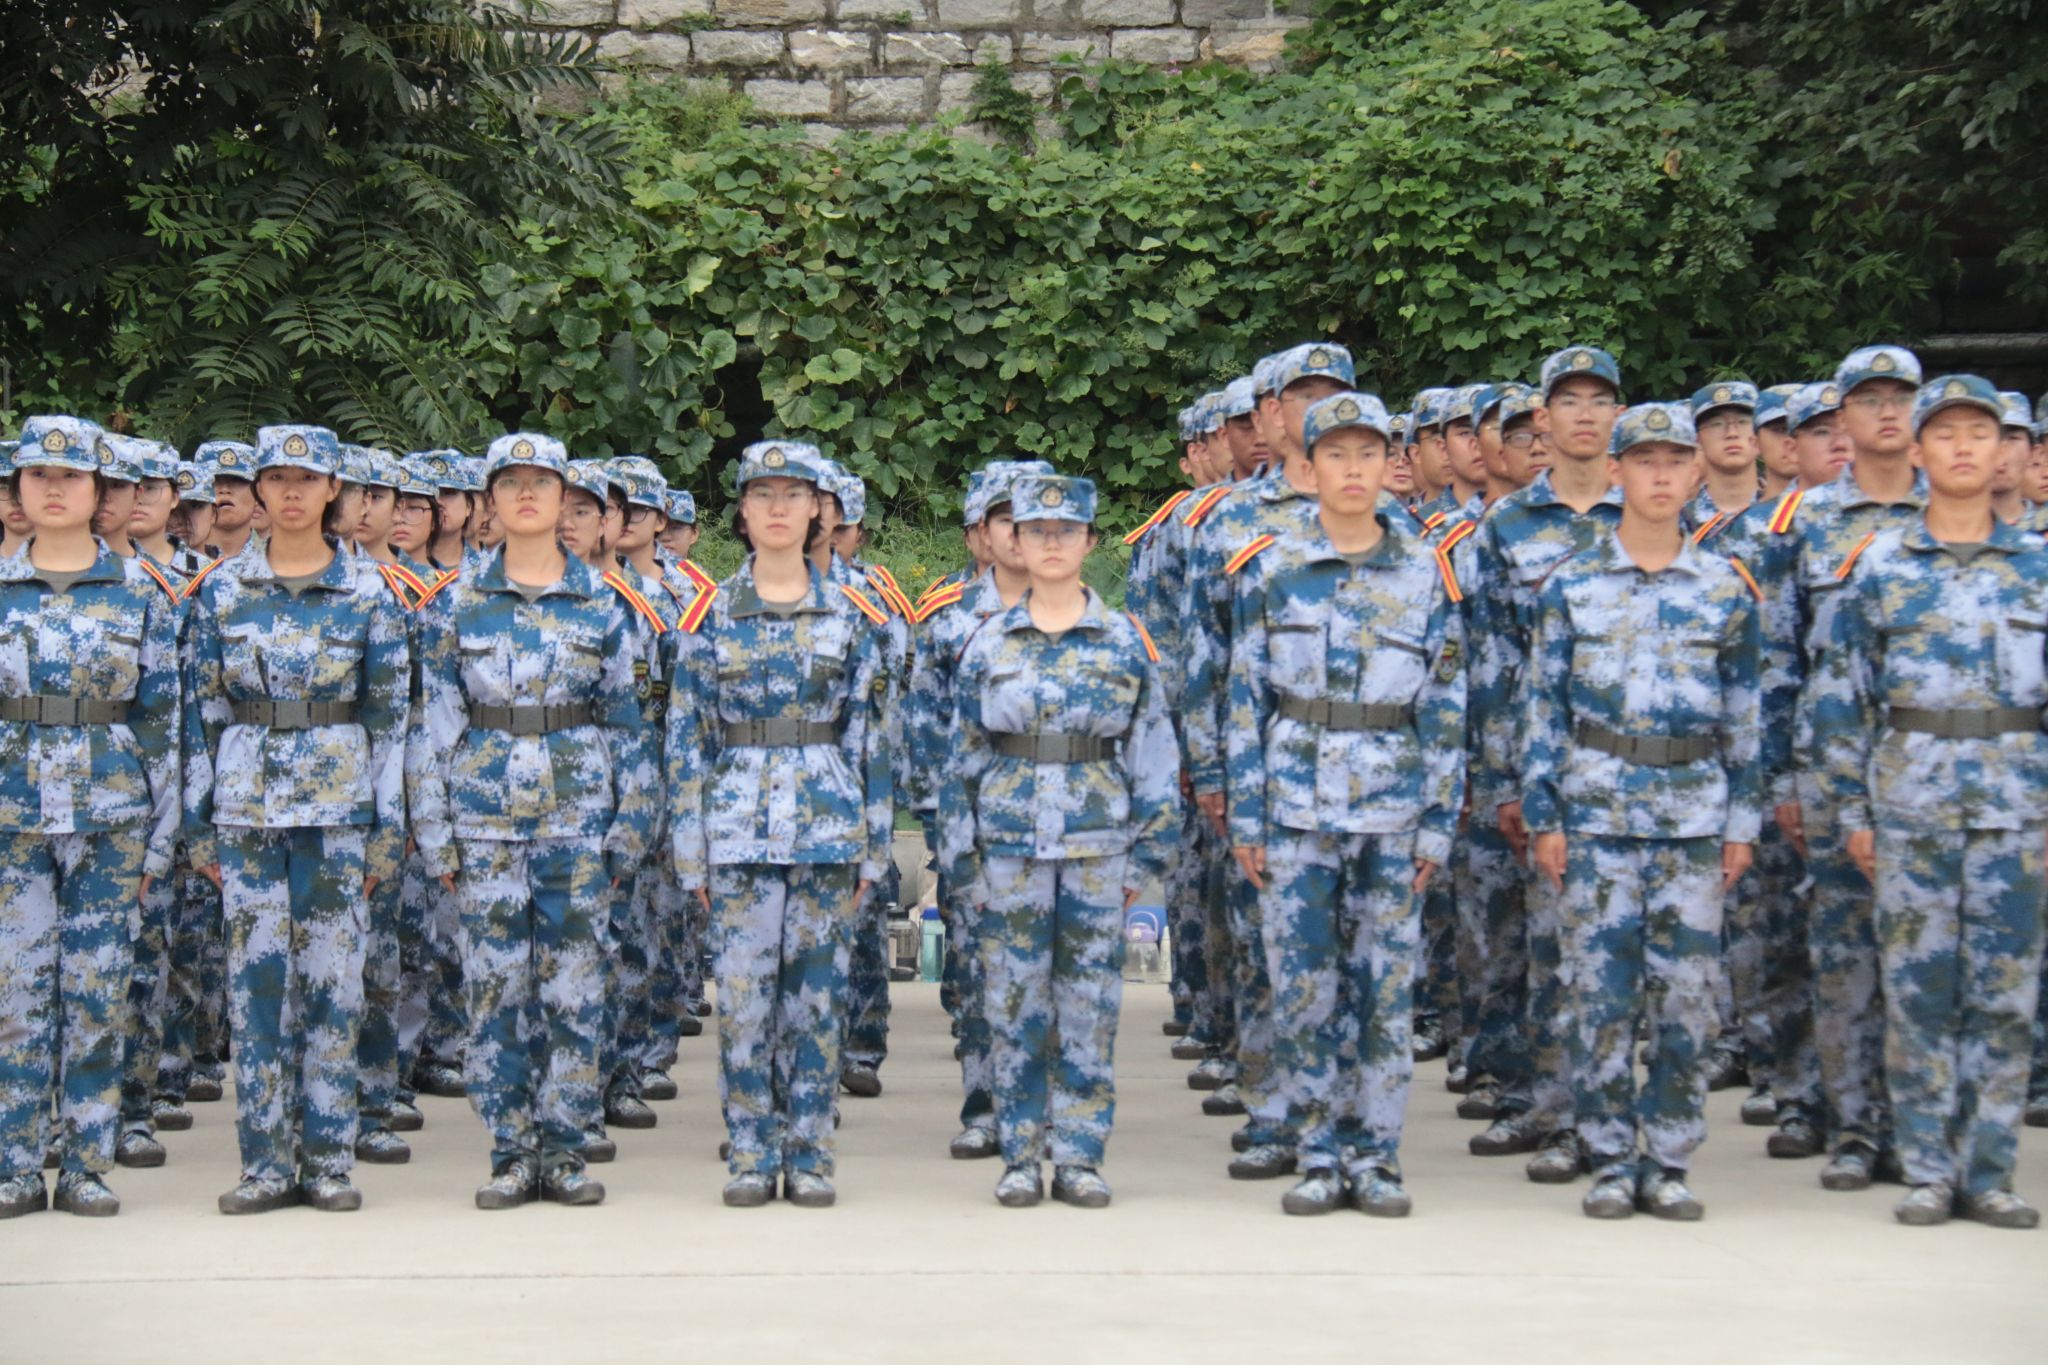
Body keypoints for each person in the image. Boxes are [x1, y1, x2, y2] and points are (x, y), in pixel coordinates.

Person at [1224, 392, 1465, 1216]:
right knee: (1303, 985)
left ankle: (1377, 1153)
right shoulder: (1272, 567)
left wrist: (1438, 820)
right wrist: (1248, 816)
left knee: (1384, 989)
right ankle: (1318, 1149)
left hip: (1394, 810)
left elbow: (1446, 704)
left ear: (1390, 465)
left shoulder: (1425, 570)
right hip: (1296, 807)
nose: (1354, 469)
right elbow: (1244, 699)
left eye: (1369, 453)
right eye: (1337, 454)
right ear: (1311, 465)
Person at [1814, 374, 2046, 1230]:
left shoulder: (2039, 568)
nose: (1962, 448)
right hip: (1911, 806)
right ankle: (1927, 1168)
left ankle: (1989, 1169)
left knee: (2004, 993)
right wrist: (1853, 811)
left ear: (2003, 449)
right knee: (1918, 991)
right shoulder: (1881, 568)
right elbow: (1842, 700)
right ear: (1918, 451)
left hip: (2017, 811)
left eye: (1979, 434)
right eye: (1944, 434)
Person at [1521, 401, 1762, 1221]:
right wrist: (1546, 814)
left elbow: (1745, 716)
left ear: (1696, 472)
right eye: (1645, 461)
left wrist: (1743, 821)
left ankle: (1670, 1155)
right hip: (1596, 815)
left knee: (1688, 997)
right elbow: (1543, 709)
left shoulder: (1726, 589)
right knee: (1600, 994)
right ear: (1618, 471)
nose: (1661, 476)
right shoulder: (1572, 586)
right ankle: (1610, 1153)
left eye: (1675, 461)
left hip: (1694, 817)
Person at [410, 434, 656, 1208]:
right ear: (488, 501)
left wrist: (630, 825)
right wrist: (435, 831)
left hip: (577, 821)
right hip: (484, 823)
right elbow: (433, 726)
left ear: (564, 499)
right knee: (496, 990)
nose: (525, 494)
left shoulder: (604, 604)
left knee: (576, 986)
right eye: (510, 482)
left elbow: (629, 724)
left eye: (541, 483)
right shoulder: (454, 603)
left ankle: (567, 1146)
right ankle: (512, 1149)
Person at [185, 423, 410, 1214]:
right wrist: (198, 826)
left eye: (307, 479)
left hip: (339, 814)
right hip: (246, 815)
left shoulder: (370, 593)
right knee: (256, 986)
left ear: (332, 490)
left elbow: (389, 719)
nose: (290, 492)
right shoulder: (221, 592)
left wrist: (387, 831)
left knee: (334, 985)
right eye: (276, 478)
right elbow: (201, 714)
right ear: (257, 489)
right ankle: (264, 1162)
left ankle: (329, 1160)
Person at [665, 440, 891, 1209]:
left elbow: (872, 737)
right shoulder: (708, 613)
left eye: (794, 495)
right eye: (763, 494)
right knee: (744, 1000)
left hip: (827, 826)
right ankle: (751, 1151)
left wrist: (875, 846)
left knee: (817, 999)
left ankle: (812, 1151)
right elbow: (687, 739)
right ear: (742, 510)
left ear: (819, 511)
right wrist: (690, 850)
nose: (778, 509)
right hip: (736, 829)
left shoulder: (854, 613)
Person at [943, 472, 1177, 1208]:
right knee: (1014, 1003)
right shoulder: (987, 642)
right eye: (1037, 531)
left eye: (1066, 531)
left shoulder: (1124, 642)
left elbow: (1154, 753)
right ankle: (1019, 1151)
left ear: (1089, 542)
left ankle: (1078, 1152)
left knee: (1089, 1004)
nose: (1050, 543)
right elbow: (962, 760)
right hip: (1010, 848)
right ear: (1013, 540)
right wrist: (963, 863)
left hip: (1096, 849)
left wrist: (1146, 857)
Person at [0, 415, 181, 1218]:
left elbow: (164, 725)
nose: (53, 488)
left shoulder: (141, 594)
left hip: (111, 819)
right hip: (12, 817)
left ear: (99, 491)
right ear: (17, 490)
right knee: (15, 994)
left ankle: (84, 1162)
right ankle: (14, 1160)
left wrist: (159, 844)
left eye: (70, 476)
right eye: (38, 475)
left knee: (98, 991)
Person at [1465, 345, 1626, 1182]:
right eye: (1570, 401)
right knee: (1548, 946)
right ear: (1543, 420)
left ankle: (1618, 1115)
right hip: (1546, 767)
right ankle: (1552, 1107)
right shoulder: (1508, 526)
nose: (1585, 415)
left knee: (1632, 959)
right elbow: (1489, 662)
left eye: (1600, 400)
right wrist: (1501, 779)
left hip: (1642, 767)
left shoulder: (1654, 511)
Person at [905, 459, 1052, 1160]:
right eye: (1006, 521)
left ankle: (1048, 1112)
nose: (1021, 535)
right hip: (976, 826)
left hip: (1064, 825)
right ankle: (987, 1106)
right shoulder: (948, 620)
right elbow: (923, 726)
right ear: (980, 534)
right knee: (979, 968)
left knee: (1056, 973)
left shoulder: (1088, 617)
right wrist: (940, 823)